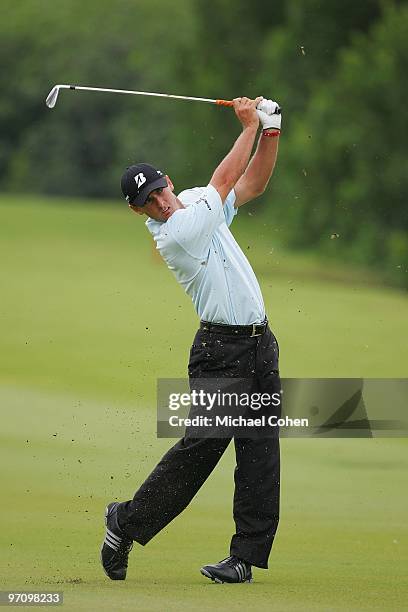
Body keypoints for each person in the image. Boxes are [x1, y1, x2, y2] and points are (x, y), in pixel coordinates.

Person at [101, 96, 282, 584]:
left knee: (261, 451)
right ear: (141, 212)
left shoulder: (199, 203)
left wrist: (270, 132)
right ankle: (126, 522)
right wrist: (247, 125)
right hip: (220, 352)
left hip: (259, 343)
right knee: (203, 446)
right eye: (149, 202)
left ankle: (244, 558)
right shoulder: (176, 232)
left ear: (168, 182)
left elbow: (252, 184)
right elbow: (225, 180)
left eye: (159, 190)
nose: (160, 202)